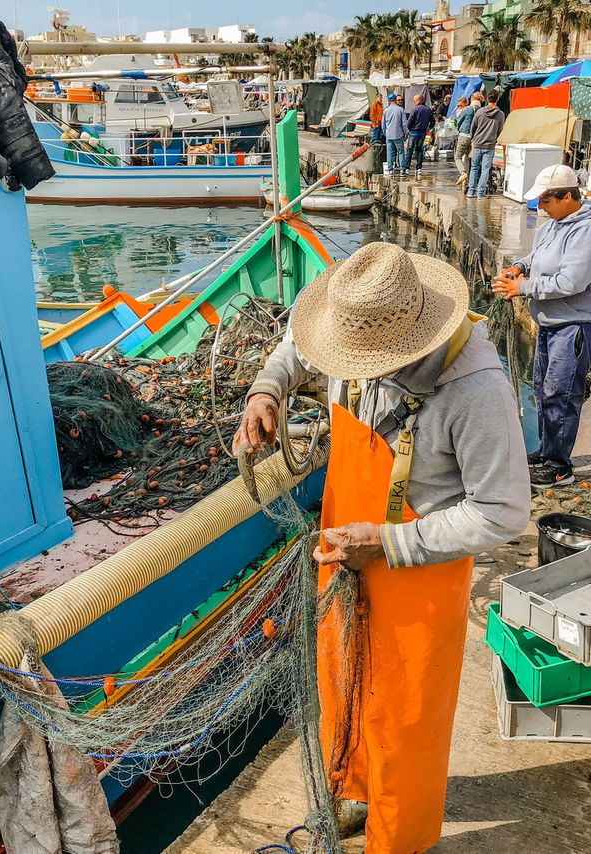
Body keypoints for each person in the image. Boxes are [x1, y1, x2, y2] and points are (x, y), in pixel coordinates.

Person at [234, 241, 530, 854]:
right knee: (342, 679)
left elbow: (503, 512)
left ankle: (399, 839)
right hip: (346, 542)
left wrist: (392, 544)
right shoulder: (349, 331)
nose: (349, 367)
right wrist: (267, 390)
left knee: (405, 718)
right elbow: (296, 347)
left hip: (416, 570)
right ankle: (355, 788)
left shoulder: (476, 390)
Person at [492, 164, 591, 489]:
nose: (541, 207)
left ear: (567, 197)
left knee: (562, 396)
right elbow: (536, 256)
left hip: (572, 325)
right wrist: (518, 267)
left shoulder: (585, 231)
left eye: (546, 201)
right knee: (543, 391)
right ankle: (548, 452)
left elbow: (571, 282)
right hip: (548, 322)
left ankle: (560, 468)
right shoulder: (553, 223)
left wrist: (523, 288)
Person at [467, 90, 504, 199]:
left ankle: (470, 191)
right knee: (485, 169)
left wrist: (473, 137)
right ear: (497, 100)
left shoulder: (480, 112)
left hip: (478, 143)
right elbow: (500, 130)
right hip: (490, 145)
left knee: (474, 168)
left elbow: (473, 127)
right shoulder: (501, 115)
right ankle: (481, 193)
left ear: (487, 99)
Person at [404, 93, 435, 180]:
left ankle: (407, 168)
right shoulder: (428, 110)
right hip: (422, 133)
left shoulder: (414, 109)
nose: (413, 102)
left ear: (418, 100)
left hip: (413, 133)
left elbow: (410, 121)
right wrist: (429, 128)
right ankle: (419, 168)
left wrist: (408, 129)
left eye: (414, 100)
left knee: (410, 149)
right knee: (420, 150)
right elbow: (432, 121)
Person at [453, 94, 480, 187]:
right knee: (468, 157)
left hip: (464, 134)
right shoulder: (481, 110)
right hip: (473, 137)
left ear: (471, 100)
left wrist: (458, 127)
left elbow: (459, 120)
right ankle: (466, 181)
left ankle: (463, 173)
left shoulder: (468, 109)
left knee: (457, 157)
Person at [381, 93, 408, 178]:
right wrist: (405, 132)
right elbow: (404, 123)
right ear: (395, 100)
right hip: (398, 134)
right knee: (401, 152)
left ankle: (390, 170)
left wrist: (385, 133)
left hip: (389, 134)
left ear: (389, 101)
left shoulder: (386, 111)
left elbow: (383, 124)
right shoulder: (400, 110)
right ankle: (402, 170)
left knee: (389, 153)